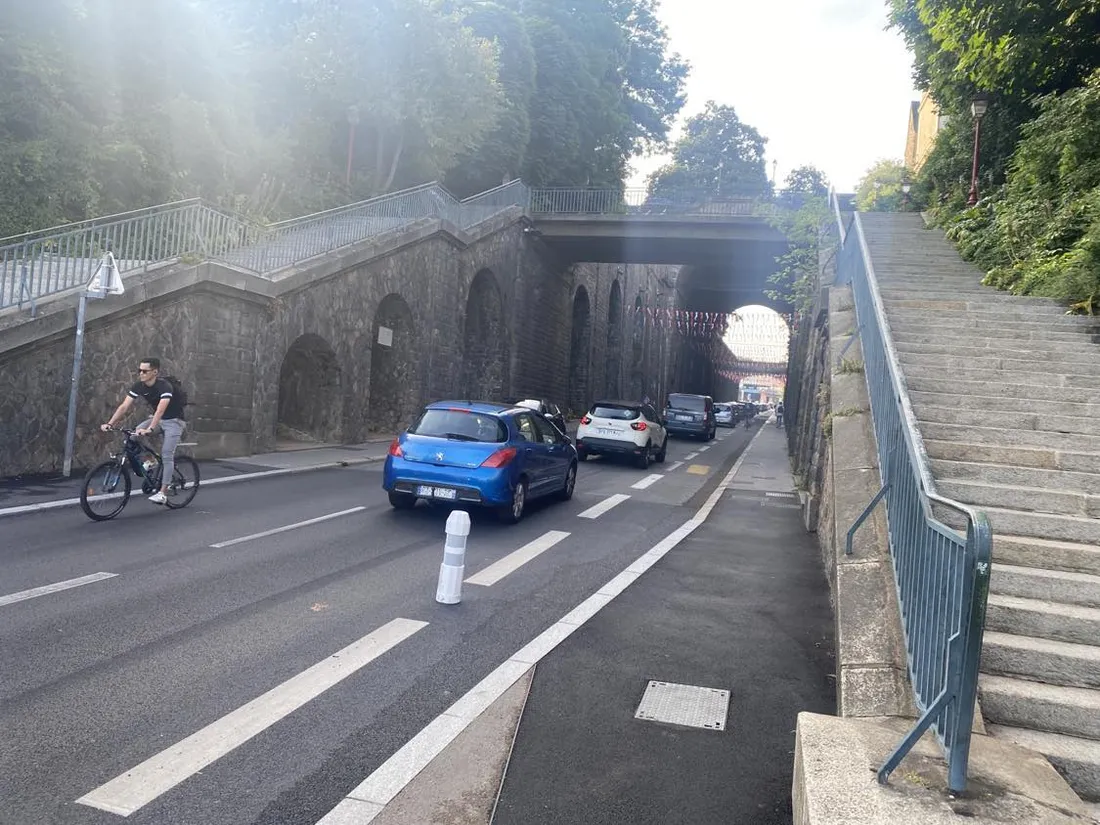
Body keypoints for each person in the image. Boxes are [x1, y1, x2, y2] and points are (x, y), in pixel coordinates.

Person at [102, 358, 186, 505]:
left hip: (174, 421)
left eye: (145, 371)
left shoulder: (164, 386)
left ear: (155, 372)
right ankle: (151, 459)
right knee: (134, 436)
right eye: (139, 370)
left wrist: (150, 428)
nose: (141, 373)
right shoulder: (139, 386)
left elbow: (161, 409)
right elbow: (124, 406)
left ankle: (162, 493)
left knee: (167, 455)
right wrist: (110, 423)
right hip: (158, 419)